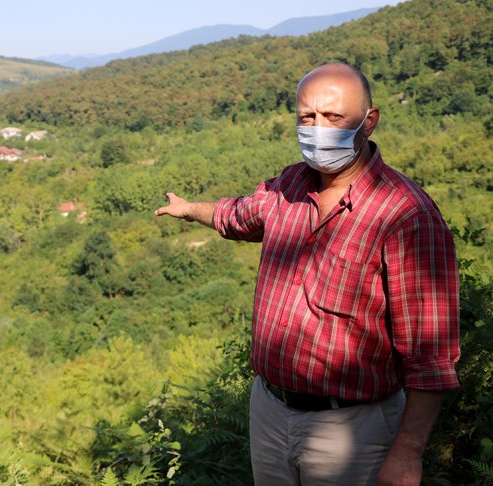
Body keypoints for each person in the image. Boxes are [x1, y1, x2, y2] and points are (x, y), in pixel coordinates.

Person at [155, 63, 460, 485]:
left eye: (333, 117)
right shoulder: (291, 186)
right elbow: (238, 215)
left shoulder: (406, 214)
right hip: (269, 410)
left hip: (352, 429)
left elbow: (431, 354)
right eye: (306, 117)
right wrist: (189, 209)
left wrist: (408, 453)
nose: (317, 129)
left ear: (369, 122)